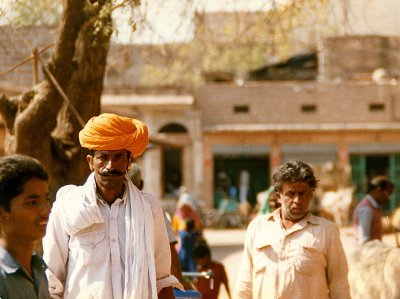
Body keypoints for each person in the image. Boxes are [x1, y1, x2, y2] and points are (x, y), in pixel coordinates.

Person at [43, 113, 181, 299]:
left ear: (129, 162)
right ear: (91, 162)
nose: (110, 165)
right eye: (103, 157)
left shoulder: (150, 208)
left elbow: (162, 279)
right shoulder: (68, 206)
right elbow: (51, 278)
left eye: (118, 157)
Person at [234, 160, 351, 299]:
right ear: (279, 196)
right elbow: (245, 284)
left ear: (311, 195)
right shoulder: (257, 227)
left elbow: (339, 286)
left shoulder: (327, 231)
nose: (297, 200)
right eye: (291, 193)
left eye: (303, 193)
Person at [128, 162, 187, 288]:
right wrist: (180, 284)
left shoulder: (101, 209)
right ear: (141, 184)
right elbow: (169, 249)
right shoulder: (152, 207)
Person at [0, 155, 51, 299]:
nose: (45, 210)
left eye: (46, 199)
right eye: (31, 203)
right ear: (2, 213)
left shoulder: (38, 269)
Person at [352, 175, 394, 245]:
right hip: (367, 254)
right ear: (379, 191)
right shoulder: (366, 209)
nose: (388, 199)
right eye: (387, 195)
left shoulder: (373, 207)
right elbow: (364, 242)